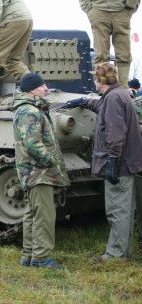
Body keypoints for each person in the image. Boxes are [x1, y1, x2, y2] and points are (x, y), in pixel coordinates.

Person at [63, 63, 142, 261]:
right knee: (123, 209)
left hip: (120, 164)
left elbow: (115, 134)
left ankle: (115, 254)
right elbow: (103, 107)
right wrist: (85, 101)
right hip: (126, 163)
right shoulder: (119, 93)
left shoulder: (114, 98)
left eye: (95, 79)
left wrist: (113, 162)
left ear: (99, 81)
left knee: (117, 211)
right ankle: (122, 252)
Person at [13, 73, 70, 269]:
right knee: (44, 214)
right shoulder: (30, 111)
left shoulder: (28, 109)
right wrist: (51, 161)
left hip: (32, 172)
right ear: (32, 89)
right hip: (39, 172)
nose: (45, 88)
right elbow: (32, 144)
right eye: (41, 86)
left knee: (32, 213)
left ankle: (28, 255)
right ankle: (41, 258)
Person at [79, 0, 141, 87]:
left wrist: (132, 5)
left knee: (124, 55)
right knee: (101, 55)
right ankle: (104, 88)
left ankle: (122, 89)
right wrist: (89, 9)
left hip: (122, 11)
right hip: (98, 10)